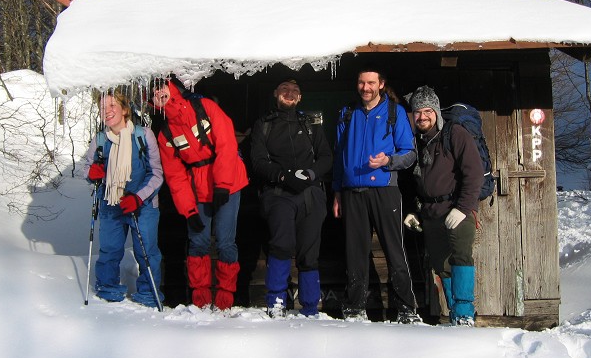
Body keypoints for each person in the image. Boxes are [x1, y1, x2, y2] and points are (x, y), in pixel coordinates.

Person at [150, 77, 248, 311]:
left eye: (161, 87)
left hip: (229, 180)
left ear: (171, 86)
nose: (159, 93)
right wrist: (188, 210)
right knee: (198, 243)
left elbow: (226, 143)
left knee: (225, 242)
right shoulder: (165, 133)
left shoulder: (204, 106)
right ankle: (200, 301)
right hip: (198, 188)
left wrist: (222, 184)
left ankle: (225, 300)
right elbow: (175, 176)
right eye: (153, 92)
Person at [332, 66, 420, 323]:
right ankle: (355, 307)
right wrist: (337, 191)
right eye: (362, 82)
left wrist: (387, 161)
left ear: (381, 84)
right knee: (355, 252)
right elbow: (339, 156)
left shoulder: (395, 112)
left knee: (394, 250)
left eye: (371, 83)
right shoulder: (347, 113)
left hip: (385, 190)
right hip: (352, 192)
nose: (366, 88)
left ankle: (406, 308)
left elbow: (409, 153)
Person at [250, 78, 333, 318]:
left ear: (300, 97)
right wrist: (283, 176)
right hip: (278, 194)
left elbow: (326, 157)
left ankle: (310, 307)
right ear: (275, 93)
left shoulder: (310, 124)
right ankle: (276, 301)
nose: (290, 93)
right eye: (285, 89)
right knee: (281, 245)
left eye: (295, 90)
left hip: (310, 194)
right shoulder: (264, 125)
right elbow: (258, 161)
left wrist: (310, 174)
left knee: (310, 252)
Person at [404, 85, 483, 326]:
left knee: (460, 258)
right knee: (441, 265)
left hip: (456, 209)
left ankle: (465, 313)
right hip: (430, 213)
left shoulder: (454, 134)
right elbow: (413, 181)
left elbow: (474, 173)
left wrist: (463, 208)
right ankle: (454, 313)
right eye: (418, 112)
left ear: (436, 112)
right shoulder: (416, 142)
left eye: (427, 111)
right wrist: (413, 210)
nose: (422, 116)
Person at [83, 89, 164, 308]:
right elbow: (87, 169)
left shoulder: (143, 135)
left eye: (112, 106)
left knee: (146, 252)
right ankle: (108, 290)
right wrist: (92, 173)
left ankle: (148, 295)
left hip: (143, 205)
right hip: (111, 204)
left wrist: (138, 198)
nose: (107, 111)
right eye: (102, 108)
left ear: (125, 109)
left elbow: (156, 174)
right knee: (110, 250)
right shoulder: (100, 140)